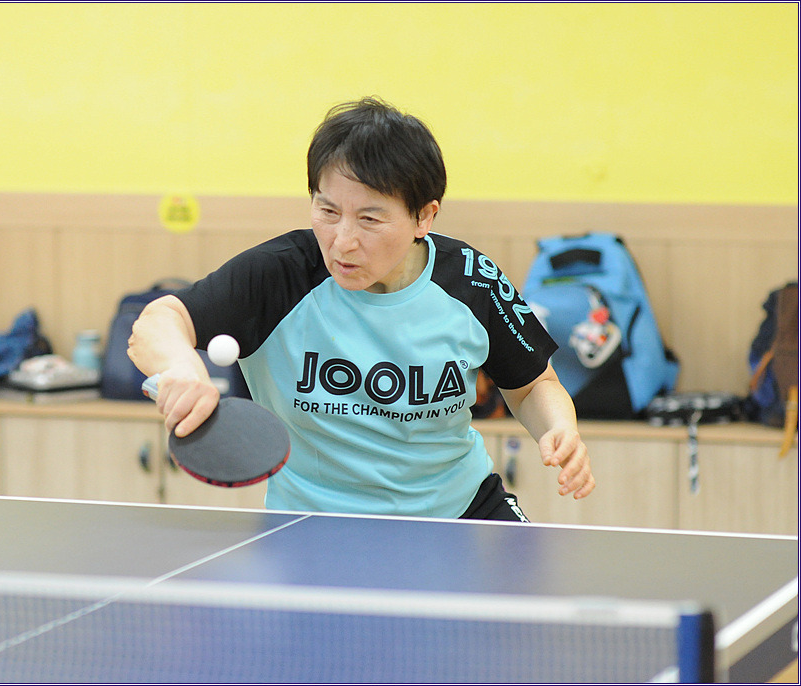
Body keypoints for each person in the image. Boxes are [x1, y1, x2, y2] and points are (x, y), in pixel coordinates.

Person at [128, 97, 595, 520]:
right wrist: (183, 370)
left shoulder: (471, 280)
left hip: (460, 511)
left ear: (424, 216)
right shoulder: (278, 274)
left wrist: (558, 428)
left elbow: (532, 385)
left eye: (369, 218)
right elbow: (158, 321)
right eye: (328, 211)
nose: (343, 241)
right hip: (315, 522)